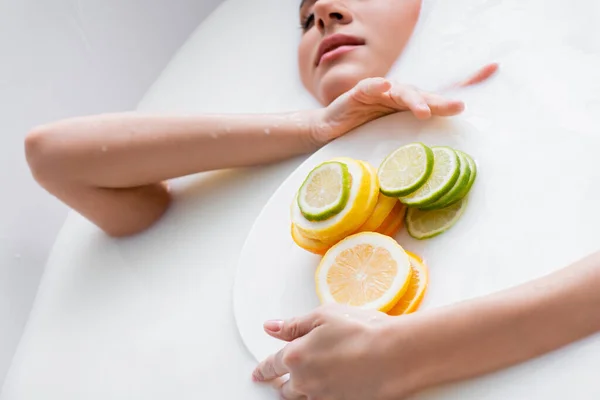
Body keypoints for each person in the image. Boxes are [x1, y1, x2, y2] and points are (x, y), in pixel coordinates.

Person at [23, 0, 600, 399]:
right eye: (304, 19)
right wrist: (311, 129)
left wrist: (410, 354)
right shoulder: (258, 179)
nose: (323, 11)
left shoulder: (517, 82)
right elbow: (53, 154)